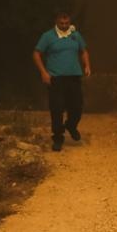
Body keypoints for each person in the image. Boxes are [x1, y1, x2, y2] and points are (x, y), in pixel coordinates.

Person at [33, 9, 91, 152]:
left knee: (77, 106)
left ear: (70, 22)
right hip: (56, 78)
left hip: (74, 77)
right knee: (57, 109)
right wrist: (43, 73)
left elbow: (83, 51)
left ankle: (71, 126)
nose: (64, 25)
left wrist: (87, 65)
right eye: (61, 23)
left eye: (66, 23)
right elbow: (36, 54)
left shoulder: (75, 35)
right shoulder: (48, 36)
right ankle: (58, 137)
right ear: (56, 22)